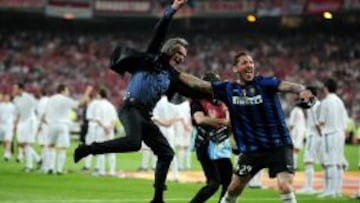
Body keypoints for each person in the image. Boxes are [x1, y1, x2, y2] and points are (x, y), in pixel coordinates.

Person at [73, 1, 208, 202]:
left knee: (166, 153)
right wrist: (172, 10)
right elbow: (160, 30)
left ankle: (157, 198)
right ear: (170, 50)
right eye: (179, 53)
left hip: (145, 114)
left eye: (184, 55)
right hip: (130, 108)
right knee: (133, 143)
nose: (181, 57)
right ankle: (87, 149)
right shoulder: (152, 58)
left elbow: (192, 89)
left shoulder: (172, 76)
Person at [174, 51, 314, 203]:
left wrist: (303, 90)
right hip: (251, 150)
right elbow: (200, 84)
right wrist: (173, 72)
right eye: (244, 62)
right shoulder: (228, 89)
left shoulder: (265, 83)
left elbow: (291, 86)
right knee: (233, 188)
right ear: (235, 68)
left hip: (278, 145)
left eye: (251, 62)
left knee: (285, 186)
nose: (249, 65)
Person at [189, 72, 233, 203]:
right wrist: (224, 122)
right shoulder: (198, 102)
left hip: (221, 146)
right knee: (214, 183)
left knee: (229, 182)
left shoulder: (222, 103)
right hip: (205, 145)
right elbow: (199, 119)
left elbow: (229, 123)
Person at [39, 84, 92, 174]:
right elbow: (79, 104)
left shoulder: (51, 99)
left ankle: (50, 168)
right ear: (63, 90)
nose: (68, 92)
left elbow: (44, 114)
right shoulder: (65, 99)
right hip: (63, 125)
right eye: (67, 90)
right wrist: (87, 92)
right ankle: (59, 169)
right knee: (62, 148)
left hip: (52, 125)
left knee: (50, 146)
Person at [317, 78, 348, 198]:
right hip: (340, 134)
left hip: (330, 134)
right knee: (338, 162)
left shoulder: (325, 102)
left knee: (330, 163)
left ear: (326, 88)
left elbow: (321, 122)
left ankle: (330, 190)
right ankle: (338, 190)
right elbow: (344, 121)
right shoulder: (340, 101)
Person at [296, 86, 321, 194]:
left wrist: (321, 135)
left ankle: (309, 187)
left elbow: (317, 123)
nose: (303, 95)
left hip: (313, 136)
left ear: (310, 93)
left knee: (308, 161)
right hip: (316, 136)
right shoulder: (317, 103)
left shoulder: (313, 105)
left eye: (305, 93)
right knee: (324, 162)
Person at [12, 83, 41, 172]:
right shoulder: (15, 99)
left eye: (15, 89)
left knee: (27, 143)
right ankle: (38, 159)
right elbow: (17, 113)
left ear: (21, 89)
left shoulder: (28, 97)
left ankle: (29, 166)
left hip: (30, 121)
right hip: (22, 122)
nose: (14, 90)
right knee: (22, 144)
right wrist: (15, 124)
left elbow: (37, 107)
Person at [288, 98, 306, 170]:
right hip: (296, 132)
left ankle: (293, 166)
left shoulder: (298, 110)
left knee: (296, 150)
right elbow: (291, 124)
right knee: (295, 149)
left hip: (299, 132)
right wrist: (289, 133)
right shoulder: (295, 111)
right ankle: (293, 166)